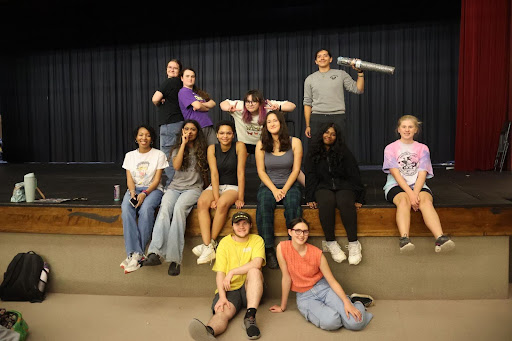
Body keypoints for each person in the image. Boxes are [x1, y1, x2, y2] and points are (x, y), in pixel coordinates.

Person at [269, 217, 373, 332]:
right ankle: (345, 305)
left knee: (355, 323)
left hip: (324, 288)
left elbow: (332, 281)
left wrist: (345, 302)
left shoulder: (317, 253)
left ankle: (356, 303)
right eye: (297, 231)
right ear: (290, 232)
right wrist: (282, 307)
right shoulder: (282, 248)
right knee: (332, 322)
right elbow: (286, 278)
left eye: (305, 231)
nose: (301, 235)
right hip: (305, 297)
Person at [143, 120, 209, 276]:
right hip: (174, 187)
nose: (189, 132)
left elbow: (207, 173)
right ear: (182, 131)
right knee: (165, 209)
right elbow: (177, 166)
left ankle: (174, 260)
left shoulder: (203, 150)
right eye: (186, 129)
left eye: (193, 129)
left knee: (179, 210)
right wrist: (183, 145)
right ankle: (154, 253)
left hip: (193, 189)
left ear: (197, 133)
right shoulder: (176, 150)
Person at [382, 115, 455, 253]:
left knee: (425, 201)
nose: (407, 130)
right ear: (398, 129)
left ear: (416, 130)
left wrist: (415, 193)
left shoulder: (423, 148)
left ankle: (440, 238)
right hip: (395, 185)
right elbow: (396, 174)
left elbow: (422, 173)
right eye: (404, 127)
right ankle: (404, 240)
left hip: (418, 185)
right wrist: (410, 194)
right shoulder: (390, 148)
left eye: (410, 127)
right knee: (404, 201)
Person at [188, 211, 265, 340]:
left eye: (245, 223)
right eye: (237, 224)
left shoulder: (257, 240)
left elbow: (257, 263)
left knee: (254, 271)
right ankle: (209, 332)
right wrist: (222, 297)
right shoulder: (224, 243)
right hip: (230, 288)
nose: (241, 227)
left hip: (251, 289)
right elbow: (220, 273)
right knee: (221, 313)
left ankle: (250, 317)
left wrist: (233, 272)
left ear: (250, 225)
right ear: (232, 226)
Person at [305, 122, 365, 265]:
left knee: (345, 203)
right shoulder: (313, 152)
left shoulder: (344, 151)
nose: (329, 136)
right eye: (326, 133)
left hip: (344, 185)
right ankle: (331, 242)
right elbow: (310, 175)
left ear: (336, 137)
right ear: (321, 134)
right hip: (323, 186)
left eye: (333, 134)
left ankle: (354, 243)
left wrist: (359, 197)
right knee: (326, 202)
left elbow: (354, 173)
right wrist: (310, 196)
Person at [193, 120, 248, 265]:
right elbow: (214, 174)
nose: (225, 136)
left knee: (223, 204)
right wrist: (216, 197)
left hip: (233, 187)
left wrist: (240, 197)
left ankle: (209, 244)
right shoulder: (212, 148)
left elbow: (241, 172)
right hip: (217, 185)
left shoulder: (239, 146)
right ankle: (208, 246)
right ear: (217, 135)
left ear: (233, 134)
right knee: (202, 202)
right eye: (222, 133)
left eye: (228, 133)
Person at [255, 111, 303, 269]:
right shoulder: (261, 144)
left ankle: (294, 246)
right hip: (269, 185)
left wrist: (284, 189)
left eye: (275, 121)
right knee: (263, 205)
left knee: (293, 204)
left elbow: (296, 170)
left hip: (289, 183)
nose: (272, 124)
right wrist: (275, 190)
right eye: (269, 122)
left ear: (281, 123)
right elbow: (261, 171)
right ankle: (268, 249)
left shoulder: (295, 142)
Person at [120, 125, 168, 274]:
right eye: (141, 135)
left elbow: (157, 180)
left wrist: (144, 193)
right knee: (126, 209)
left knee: (146, 209)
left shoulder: (159, 154)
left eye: (147, 135)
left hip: (153, 190)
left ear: (152, 139)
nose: (144, 138)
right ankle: (133, 253)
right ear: (136, 138)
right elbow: (129, 179)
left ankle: (137, 254)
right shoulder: (130, 156)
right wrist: (133, 193)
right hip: (134, 189)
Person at [303, 48, 364, 142]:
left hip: (338, 117)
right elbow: (307, 103)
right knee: (317, 149)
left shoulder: (341, 74)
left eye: (325, 55)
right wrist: (308, 125)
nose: (322, 58)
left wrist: (360, 72)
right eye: (319, 56)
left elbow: (358, 89)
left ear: (330, 59)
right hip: (317, 117)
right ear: (316, 61)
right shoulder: (309, 79)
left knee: (339, 148)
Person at [219, 89, 296, 155]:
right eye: (248, 102)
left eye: (254, 101)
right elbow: (223, 103)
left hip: (265, 143)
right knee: (237, 164)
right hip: (245, 144)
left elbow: (292, 106)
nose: (250, 104)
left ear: (260, 103)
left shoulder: (268, 106)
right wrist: (228, 108)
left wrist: (279, 108)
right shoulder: (239, 107)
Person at [151, 59, 184, 187]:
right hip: (178, 122)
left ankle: (173, 184)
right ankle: (178, 182)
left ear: (179, 71)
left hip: (170, 124)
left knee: (167, 156)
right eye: (169, 67)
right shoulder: (180, 84)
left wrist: (159, 102)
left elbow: (155, 99)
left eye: (175, 68)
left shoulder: (169, 82)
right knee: (177, 154)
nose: (171, 69)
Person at [178, 68, 217, 145]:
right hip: (196, 127)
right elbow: (198, 106)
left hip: (207, 124)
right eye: (187, 76)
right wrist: (205, 107)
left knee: (214, 150)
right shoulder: (183, 91)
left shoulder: (197, 92)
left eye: (192, 76)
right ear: (182, 78)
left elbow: (213, 103)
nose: (190, 78)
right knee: (200, 152)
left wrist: (202, 105)